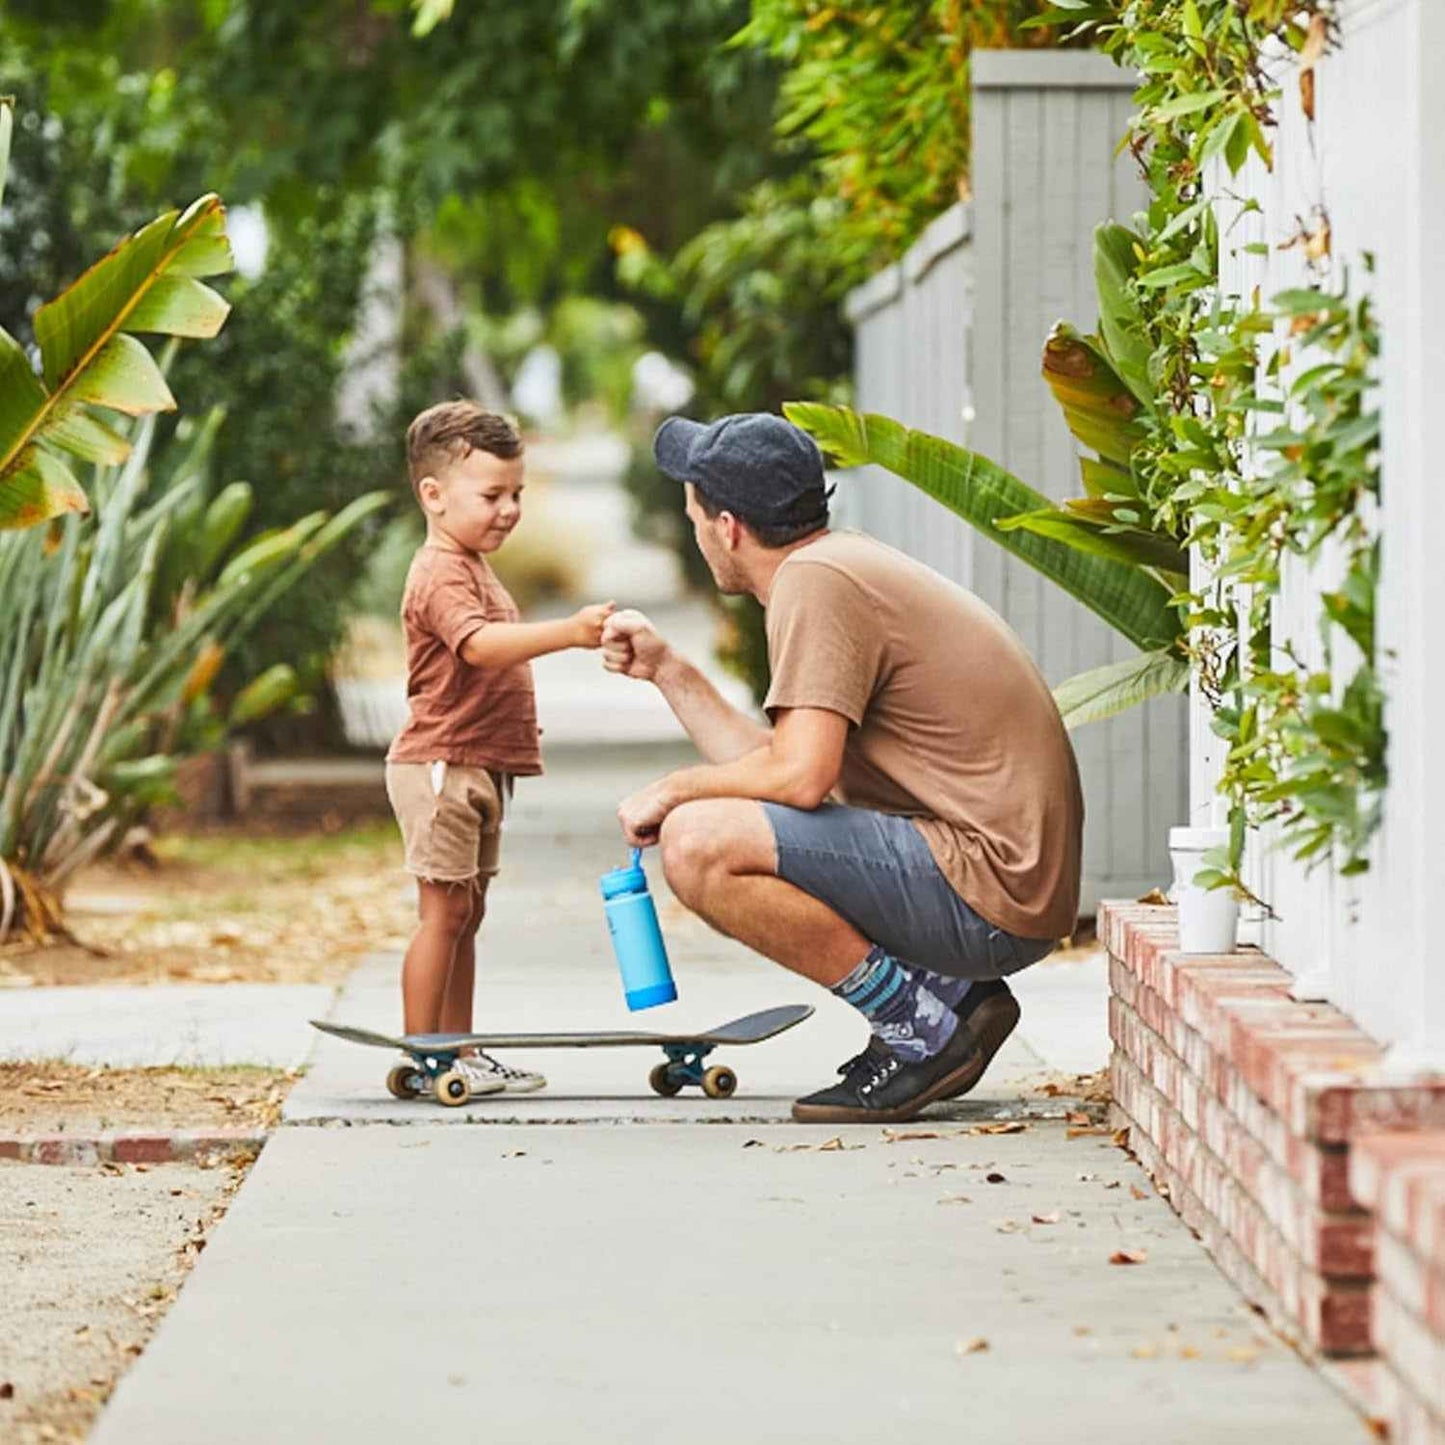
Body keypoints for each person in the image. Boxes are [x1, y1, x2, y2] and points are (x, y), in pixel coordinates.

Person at [602, 412, 1083, 1123]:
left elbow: (795, 780)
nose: (696, 529)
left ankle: (921, 1036)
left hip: (990, 889)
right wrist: (668, 671)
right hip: (994, 877)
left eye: (695, 514)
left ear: (727, 526)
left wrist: (675, 790)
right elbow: (788, 779)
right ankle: (951, 999)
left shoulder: (815, 584)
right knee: (715, 826)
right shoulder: (835, 566)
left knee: (697, 842)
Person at [385, 401, 614, 1096]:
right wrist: (570, 633)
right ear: (433, 495)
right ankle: (425, 1054)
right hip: (441, 764)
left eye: (516, 493)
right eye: (492, 495)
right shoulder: (441, 571)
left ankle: (461, 1049)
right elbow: (479, 647)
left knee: (466, 912)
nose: (509, 509)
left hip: (476, 764)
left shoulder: (473, 564)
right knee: (443, 911)